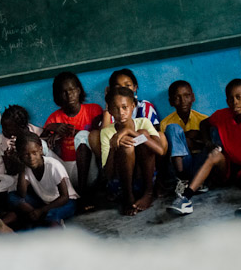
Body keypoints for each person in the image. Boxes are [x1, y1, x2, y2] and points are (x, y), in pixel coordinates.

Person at [169, 79, 241, 218]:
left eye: (239, 97)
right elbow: (204, 124)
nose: (235, 102)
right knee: (214, 154)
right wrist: (207, 142)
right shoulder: (223, 115)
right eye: (231, 98)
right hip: (225, 169)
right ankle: (185, 199)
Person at [100, 86, 167, 215]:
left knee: (142, 134)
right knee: (127, 146)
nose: (121, 113)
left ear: (133, 106)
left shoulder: (144, 122)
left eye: (125, 107)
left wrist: (130, 131)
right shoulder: (106, 132)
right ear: (109, 110)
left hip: (145, 179)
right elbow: (108, 174)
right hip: (120, 185)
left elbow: (160, 150)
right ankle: (128, 197)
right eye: (115, 108)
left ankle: (148, 193)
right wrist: (114, 145)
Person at [43, 71, 102, 200]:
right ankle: (61, 193)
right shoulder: (54, 118)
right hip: (64, 173)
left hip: (89, 172)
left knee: (83, 135)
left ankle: (82, 194)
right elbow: (38, 146)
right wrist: (51, 128)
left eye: (72, 90)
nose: (69, 95)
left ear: (79, 90)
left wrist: (73, 133)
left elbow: (98, 136)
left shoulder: (93, 109)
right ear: (58, 96)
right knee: (39, 145)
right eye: (64, 92)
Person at [10, 132, 79, 227]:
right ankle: (36, 214)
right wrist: (21, 168)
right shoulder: (26, 167)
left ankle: (43, 217)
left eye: (34, 153)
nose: (31, 158)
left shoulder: (53, 165)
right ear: (20, 156)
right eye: (26, 155)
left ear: (41, 150)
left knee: (52, 216)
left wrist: (41, 210)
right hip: (45, 202)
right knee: (12, 196)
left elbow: (65, 197)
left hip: (66, 203)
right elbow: (22, 194)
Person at [160, 80, 209, 188]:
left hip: (200, 163)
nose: (183, 101)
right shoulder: (165, 123)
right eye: (177, 97)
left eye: (186, 96)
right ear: (171, 102)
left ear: (193, 97)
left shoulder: (204, 120)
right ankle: (182, 179)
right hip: (180, 165)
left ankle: (196, 181)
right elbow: (166, 151)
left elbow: (209, 146)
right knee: (172, 128)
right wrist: (185, 140)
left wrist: (194, 141)